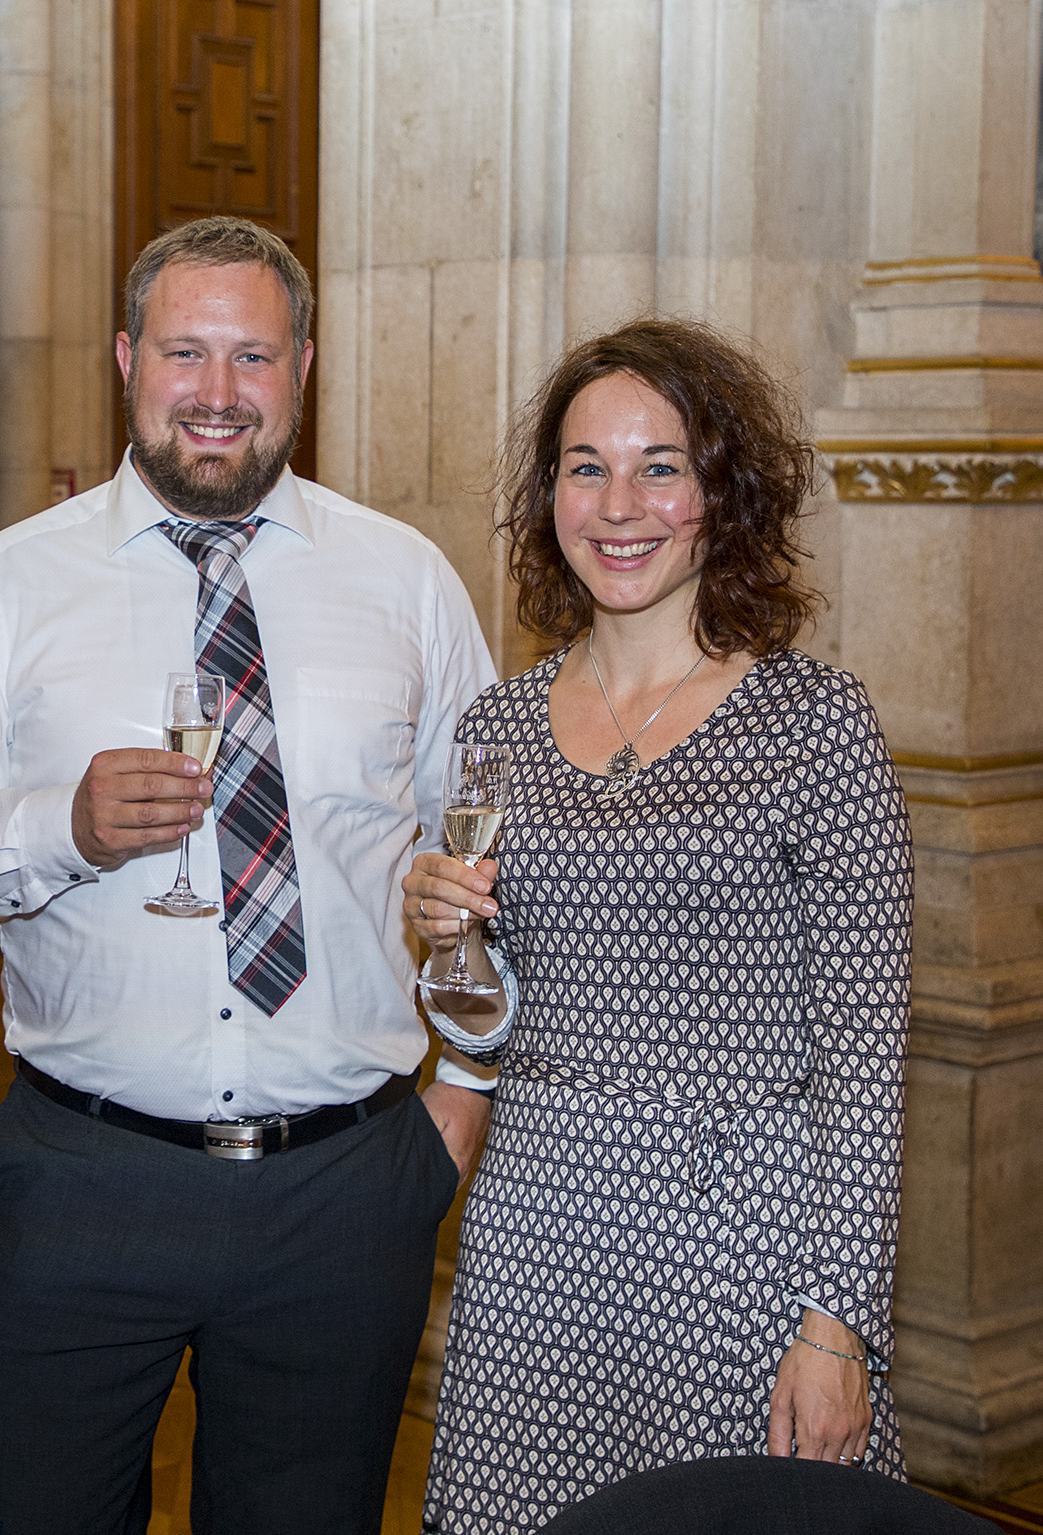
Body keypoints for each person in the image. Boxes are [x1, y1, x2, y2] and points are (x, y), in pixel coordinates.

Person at [0, 215, 499, 1533]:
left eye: (252, 355)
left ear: (302, 367)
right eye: (183, 351)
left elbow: (492, 846)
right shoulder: (9, 584)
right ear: (124, 359)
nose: (216, 390)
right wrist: (64, 825)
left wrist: (466, 1086)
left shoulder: (406, 581)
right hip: (81, 1177)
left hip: (343, 1188)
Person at [401, 318, 912, 1534]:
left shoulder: (814, 724)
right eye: (585, 467)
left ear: (718, 491)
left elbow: (865, 1057)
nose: (618, 504)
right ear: (548, 496)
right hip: (536, 1233)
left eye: (658, 466)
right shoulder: (496, 725)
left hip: (737, 1249)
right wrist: (442, 933)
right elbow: (487, 1014)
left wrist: (836, 1325)